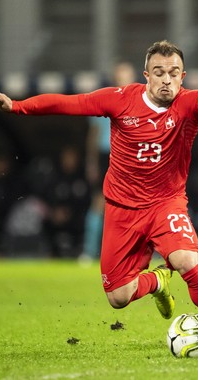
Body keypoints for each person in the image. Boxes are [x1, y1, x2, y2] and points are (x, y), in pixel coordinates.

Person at [0, 40, 198, 355]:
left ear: (183, 76)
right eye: (158, 72)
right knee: (119, 297)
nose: (166, 79)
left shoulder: (188, 104)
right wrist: (18, 106)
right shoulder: (120, 100)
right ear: (146, 76)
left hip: (166, 204)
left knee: (187, 261)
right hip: (122, 211)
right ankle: (158, 282)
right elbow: (70, 103)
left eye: (173, 73)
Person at [79, 62, 137, 265]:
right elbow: (93, 135)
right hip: (107, 155)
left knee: (137, 205)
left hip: (130, 156)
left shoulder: (140, 100)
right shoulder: (105, 99)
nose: (123, 80)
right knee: (98, 203)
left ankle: (137, 252)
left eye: (126, 76)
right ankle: (89, 251)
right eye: (119, 76)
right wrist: (91, 162)